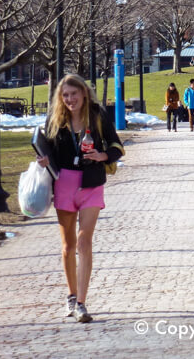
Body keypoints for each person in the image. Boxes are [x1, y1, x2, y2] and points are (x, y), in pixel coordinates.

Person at [35, 74, 123, 324]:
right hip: (64, 184)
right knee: (68, 247)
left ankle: (82, 303)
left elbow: (116, 146)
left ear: (84, 93)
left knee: (84, 242)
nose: (70, 99)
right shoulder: (55, 119)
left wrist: (102, 156)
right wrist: (44, 161)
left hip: (91, 184)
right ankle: (71, 296)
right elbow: (48, 151)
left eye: (74, 94)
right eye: (65, 95)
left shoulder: (97, 115)